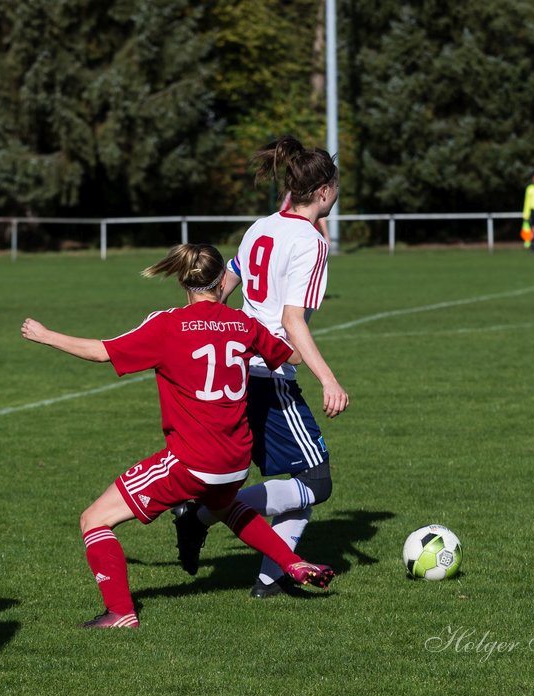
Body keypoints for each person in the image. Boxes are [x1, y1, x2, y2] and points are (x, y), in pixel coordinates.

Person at [20, 244, 335, 627]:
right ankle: (292, 562)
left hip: (193, 460)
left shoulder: (167, 324)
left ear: (183, 281)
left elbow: (103, 352)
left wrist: (45, 335)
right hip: (236, 460)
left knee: (94, 519)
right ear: (223, 281)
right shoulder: (243, 323)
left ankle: (120, 612)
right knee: (225, 508)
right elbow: (293, 357)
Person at [174, 136, 349, 598]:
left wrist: (202, 332)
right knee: (316, 480)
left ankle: (271, 580)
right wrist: (329, 379)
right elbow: (292, 321)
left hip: (236, 370)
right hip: (269, 376)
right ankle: (203, 514)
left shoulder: (260, 226)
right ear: (326, 191)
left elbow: (225, 283)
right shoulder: (311, 243)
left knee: (301, 481)